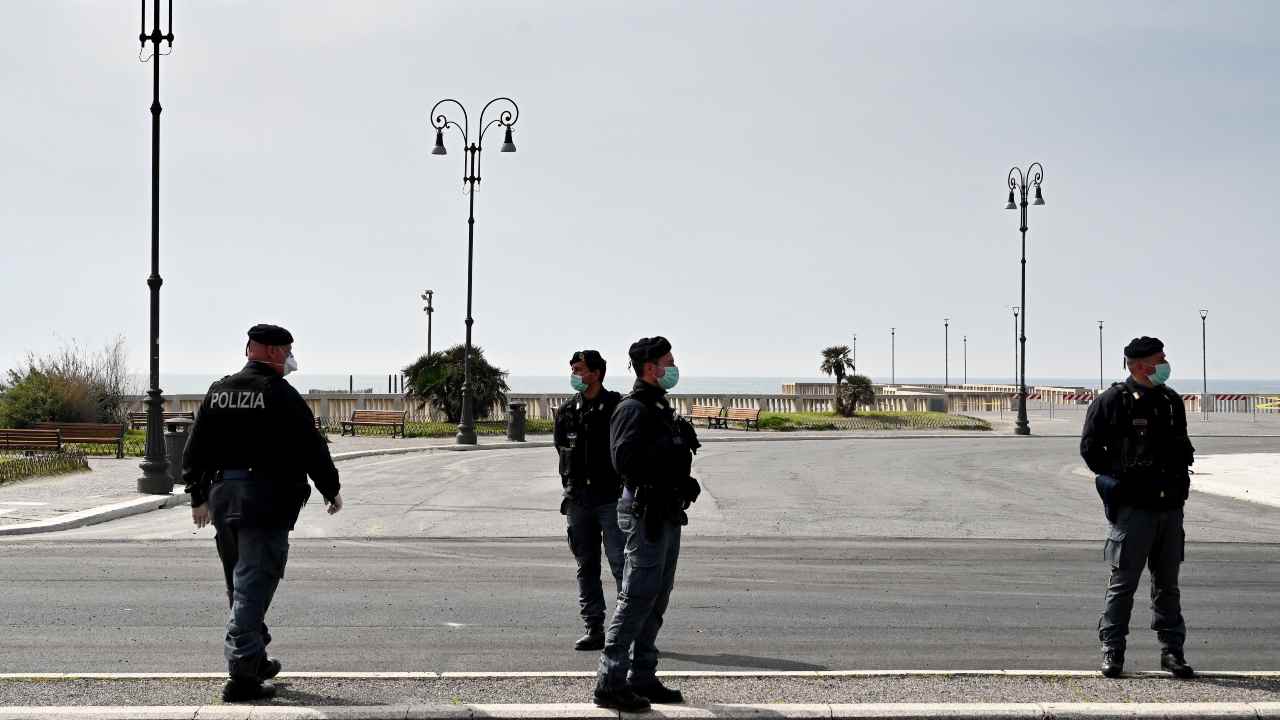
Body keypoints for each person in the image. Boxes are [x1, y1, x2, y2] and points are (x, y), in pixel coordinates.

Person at [182, 324, 344, 702]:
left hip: (224, 500)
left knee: (240, 585)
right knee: (254, 585)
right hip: (265, 500)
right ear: (271, 352)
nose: (291, 357)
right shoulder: (280, 395)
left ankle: (256, 656)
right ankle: (242, 676)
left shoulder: (219, 391)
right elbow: (311, 446)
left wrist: (197, 496)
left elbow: (195, 447)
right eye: (288, 350)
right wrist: (330, 489)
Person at [594, 336, 702, 711]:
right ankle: (610, 682)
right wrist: (666, 473)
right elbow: (625, 462)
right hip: (645, 512)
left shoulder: (659, 407)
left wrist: (681, 480)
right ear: (650, 367)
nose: (673, 367)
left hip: (667, 510)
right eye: (668, 361)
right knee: (637, 594)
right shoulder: (633, 408)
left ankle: (642, 676)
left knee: (657, 597)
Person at [1081, 336, 1195, 679]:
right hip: (1134, 510)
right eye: (1159, 359)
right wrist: (1119, 481)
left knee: (1168, 584)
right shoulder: (1112, 401)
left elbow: (1182, 448)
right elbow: (1090, 450)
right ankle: (1112, 651)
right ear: (1138, 365)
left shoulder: (1171, 401)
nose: (1164, 364)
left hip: (1170, 508)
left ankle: (1172, 652)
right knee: (1124, 583)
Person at [555, 350, 626, 651]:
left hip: (610, 498)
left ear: (596, 373)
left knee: (620, 564)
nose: (575, 374)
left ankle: (628, 629)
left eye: (580, 369)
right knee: (586, 566)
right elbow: (561, 449)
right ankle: (593, 626)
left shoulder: (616, 407)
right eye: (572, 369)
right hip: (578, 500)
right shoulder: (568, 409)